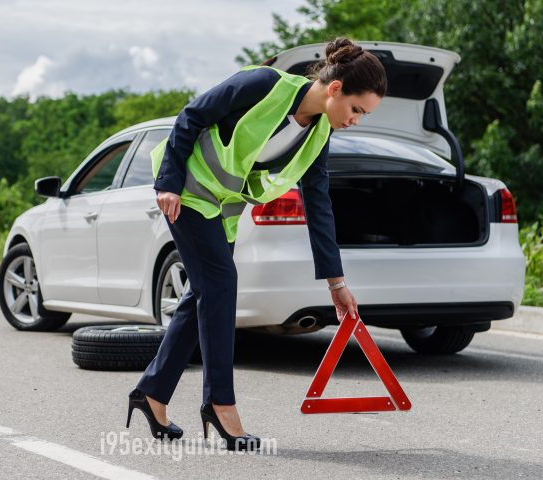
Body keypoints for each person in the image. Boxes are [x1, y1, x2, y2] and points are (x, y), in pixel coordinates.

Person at [125, 37, 387, 451]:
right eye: (357, 110)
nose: (357, 120)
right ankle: (220, 404)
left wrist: (337, 284)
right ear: (335, 88)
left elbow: (319, 206)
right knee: (220, 285)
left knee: (200, 297)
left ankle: (151, 393)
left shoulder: (319, 134)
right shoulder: (263, 84)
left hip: (222, 207)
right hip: (188, 194)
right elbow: (192, 115)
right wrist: (168, 183)